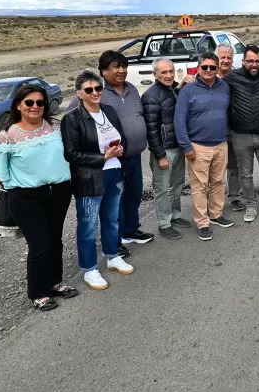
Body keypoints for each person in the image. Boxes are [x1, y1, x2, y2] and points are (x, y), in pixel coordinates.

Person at [0, 85, 76, 311]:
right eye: (29, 102)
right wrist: (22, 185)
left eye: (40, 102)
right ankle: (38, 292)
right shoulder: (7, 136)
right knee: (40, 244)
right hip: (25, 197)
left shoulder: (55, 127)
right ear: (18, 105)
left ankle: (55, 282)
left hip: (59, 191)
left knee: (55, 239)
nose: (35, 106)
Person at [69, 50, 153, 255]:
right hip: (109, 161)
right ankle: (114, 242)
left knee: (133, 196)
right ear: (103, 71)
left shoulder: (132, 89)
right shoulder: (95, 92)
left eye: (124, 66)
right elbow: (73, 118)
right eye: (115, 66)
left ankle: (130, 231)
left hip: (133, 156)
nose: (121, 70)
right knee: (113, 205)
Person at [61, 70, 134, 290]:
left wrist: (120, 149)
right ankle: (89, 269)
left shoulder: (109, 111)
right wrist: (102, 157)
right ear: (79, 93)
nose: (95, 93)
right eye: (89, 90)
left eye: (98, 88)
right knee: (89, 225)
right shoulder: (72, 118)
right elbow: (71, 154)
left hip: (114, 173)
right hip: (90, 179)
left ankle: (112, 256)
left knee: (112, 220)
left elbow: (122, 137)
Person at [174, 52, 234, 241]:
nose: (208, 70)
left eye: (212, 67)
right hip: (197, 146)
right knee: (199, 187)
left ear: (217, 69)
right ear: (198, 68)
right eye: (204, 67)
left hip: (220, 144)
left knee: (218, 182)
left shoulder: (224, 87)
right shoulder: (188, 90)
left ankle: (216, 214)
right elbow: (179, 119)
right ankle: (202, 222)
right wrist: (186, 145)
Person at [224, 45, 259, 223]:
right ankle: (250, 205)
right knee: (246, 174)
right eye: (250, 61)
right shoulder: (231, 78)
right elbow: (211, 85)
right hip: (241, 136)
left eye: (257, 61)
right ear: (243, 61)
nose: (254, 64)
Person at [141, 59, 193, 240]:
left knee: (177, 184)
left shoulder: (172, 90)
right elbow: (151, 130)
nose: (168, 75)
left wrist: (181, 85)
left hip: (177, 146)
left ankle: (175, 215)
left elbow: (172, 107)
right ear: (155, 74)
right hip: (163, 150)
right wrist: (160, 155)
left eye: (171, 71)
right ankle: (164, 223)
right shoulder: (150, 96)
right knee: (162, 188)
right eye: (163, 72)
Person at [216, 43, 244, 213]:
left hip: (234, 128)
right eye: (222, 57)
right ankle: (214, 199)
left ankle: (235, 196)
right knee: (215, 167)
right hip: (214, 131)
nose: (225, 60)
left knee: (235, 165)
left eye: (228, 57)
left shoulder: (237, 76)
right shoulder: (207, 75)